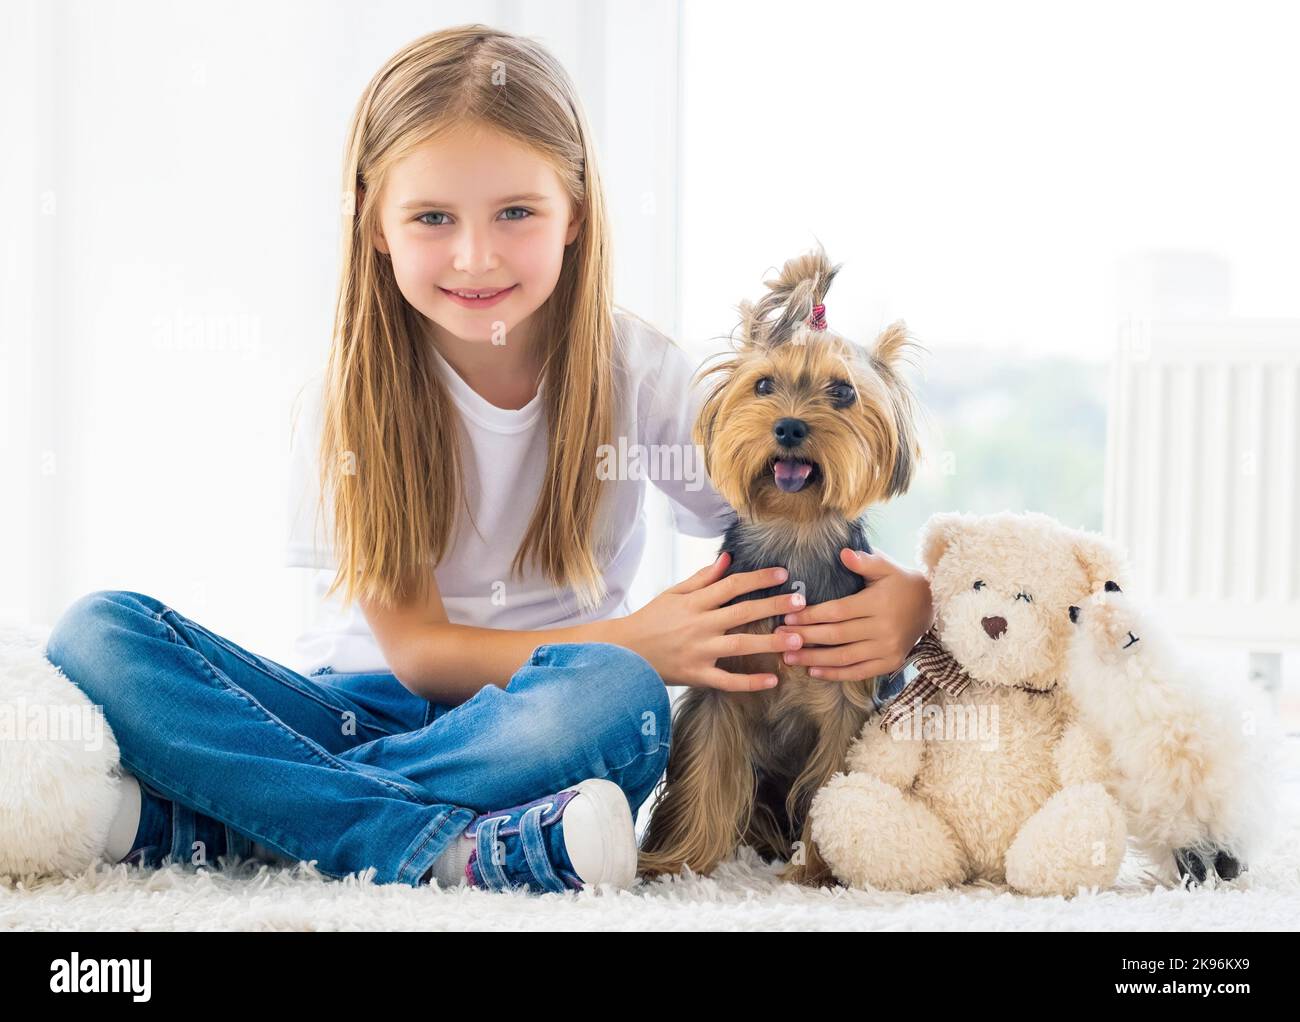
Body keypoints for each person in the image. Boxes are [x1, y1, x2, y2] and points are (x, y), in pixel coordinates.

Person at [44, 24, 934, 894]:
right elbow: (423, 653)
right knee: (100, 631)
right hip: (356, 707)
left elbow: (791, 507)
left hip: (544, 722)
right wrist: (635, 637)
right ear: (375, 223)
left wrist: (910, 600)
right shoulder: (347, 397)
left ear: (576, 212)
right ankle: (452, 848)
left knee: (621, 700)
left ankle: (240, 818)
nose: (476, 255)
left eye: (516, 212)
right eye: (433, 216)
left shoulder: (638, 373)